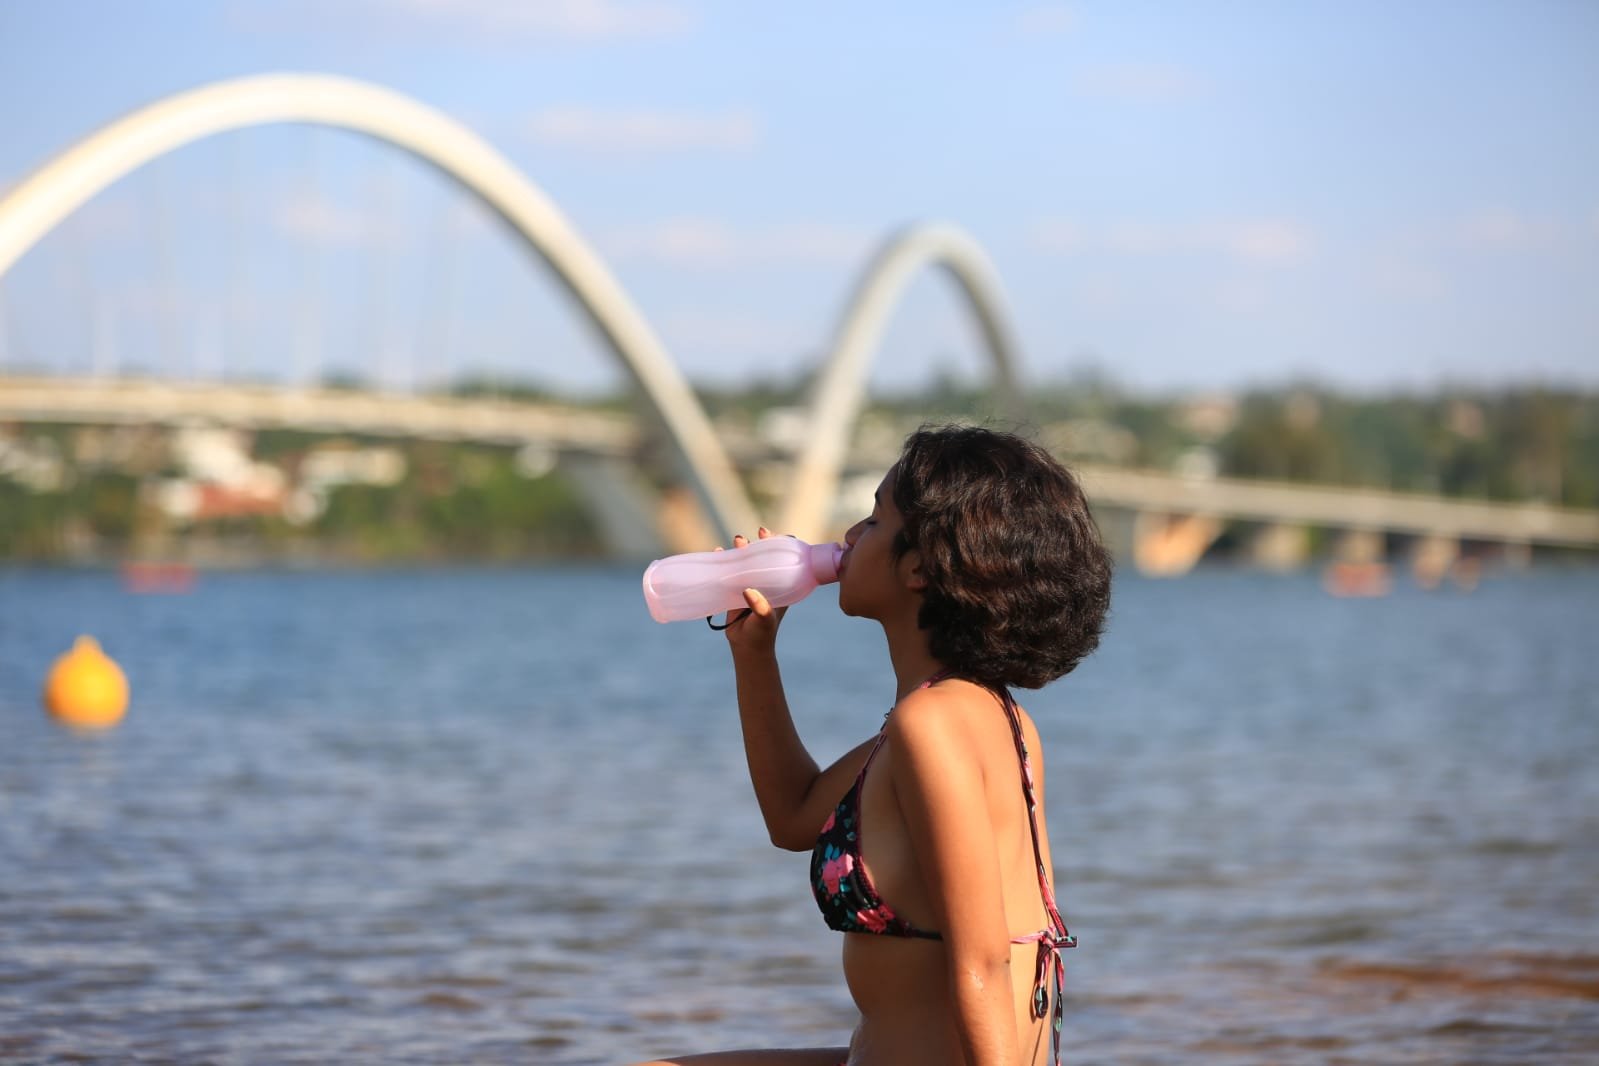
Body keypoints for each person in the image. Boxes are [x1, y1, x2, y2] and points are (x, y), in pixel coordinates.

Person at [637, 425, 1113, 1066]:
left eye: (872, 519)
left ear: (918, 567)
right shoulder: (985, 715)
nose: (850, 537)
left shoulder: (932, 726)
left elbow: (985, 959)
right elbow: (794, 815)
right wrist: (755, 657)